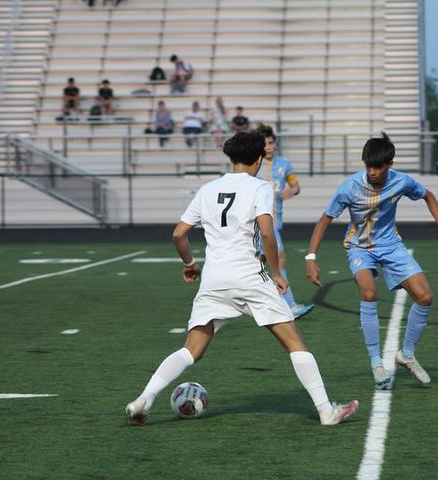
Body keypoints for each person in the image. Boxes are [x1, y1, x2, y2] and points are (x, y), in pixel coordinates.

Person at [125, 131, 358, 427]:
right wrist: (276, 274)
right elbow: (267, 231)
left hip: (213, 280)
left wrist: (190, 264)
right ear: (259, 159)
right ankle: (326, 410)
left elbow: (178, 233)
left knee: (190, 349)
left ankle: (143, 399)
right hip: (249, 276)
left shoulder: (208, 189)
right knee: (294, 342)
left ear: (231, 158)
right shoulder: (259, 188)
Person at [305, 133, 438, 390]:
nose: (372, 172)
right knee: (368, 291)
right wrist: (311, 257)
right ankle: (376, 362)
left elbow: (428, 195)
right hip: (359, 248)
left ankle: (406, 355)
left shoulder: (401, 182)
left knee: (425, 297)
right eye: (368, 166)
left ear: (389, 164)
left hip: (392, 246)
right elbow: (324, 220)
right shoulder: (349, 187)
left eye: (377, 167)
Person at [256, 124, 313, 319]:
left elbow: (296, 186)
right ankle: (290, 305)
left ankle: (261, 303)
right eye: (264, 144)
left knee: (260, 262)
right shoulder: (254, 164)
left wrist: (292, 191)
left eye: (271, 143)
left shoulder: (284, 164)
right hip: (261, 222)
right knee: (279, 259)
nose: (268, 147)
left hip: (275, 221)